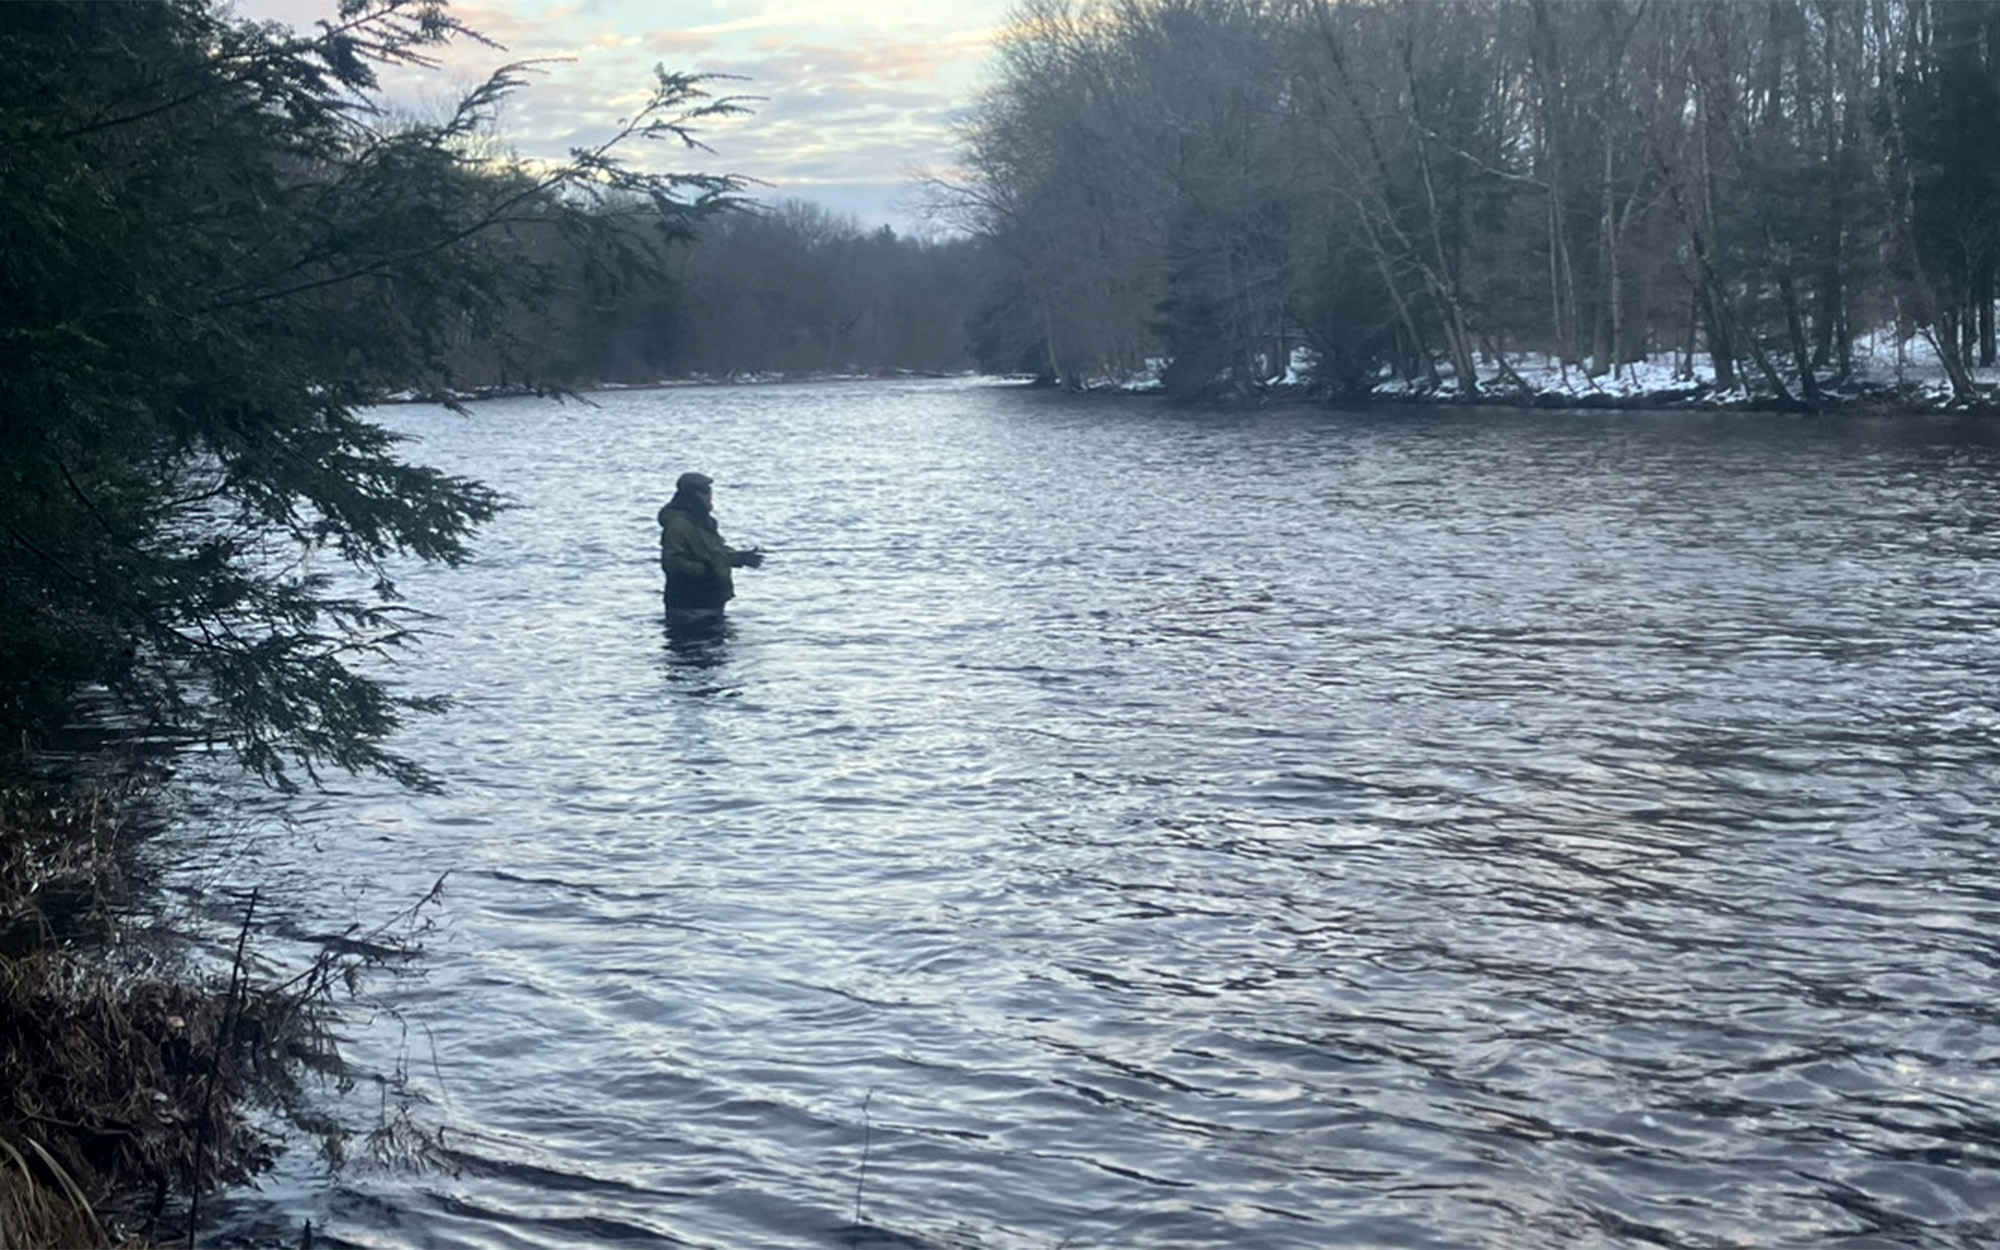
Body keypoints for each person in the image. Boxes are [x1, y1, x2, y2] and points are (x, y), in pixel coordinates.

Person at [658, 471, 763, 612]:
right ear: (691, 495)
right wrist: (708, 571)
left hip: (711, 600)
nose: (709, 495)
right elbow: (673, 563)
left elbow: (715, 551)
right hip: (689, 603)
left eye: (709, 490)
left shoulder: (704, 522)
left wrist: (740, 558)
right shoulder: (677, 525)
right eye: (704, 491)